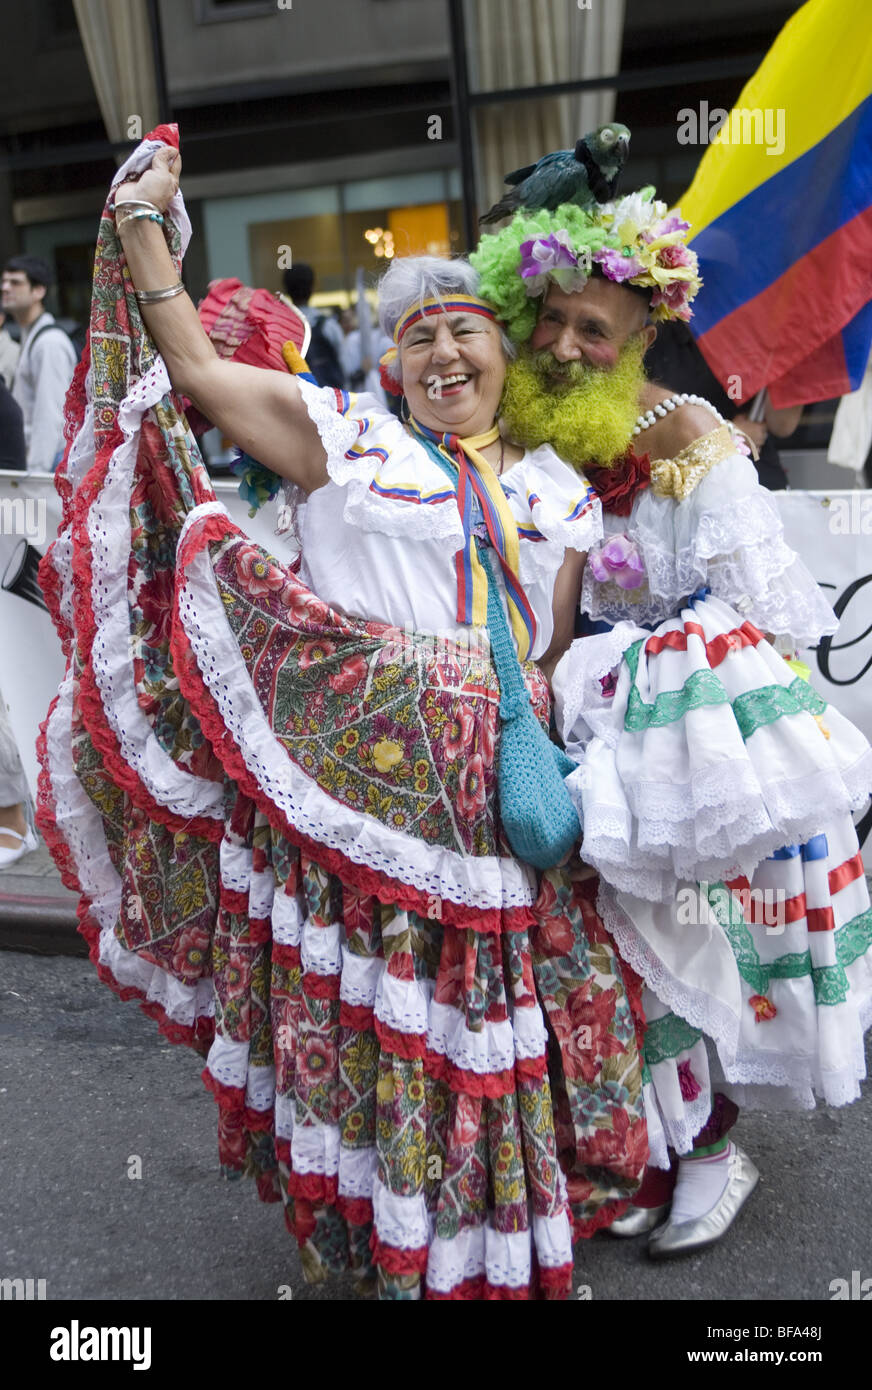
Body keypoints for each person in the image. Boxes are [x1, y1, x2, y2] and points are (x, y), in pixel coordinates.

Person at [37, 133, 649, 1300]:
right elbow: (203, 378)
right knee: (367, 1017)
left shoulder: (552, 491)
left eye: (462, 327)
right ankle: (369, 1251)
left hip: (479, 812)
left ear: (505, 354)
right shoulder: (349, 445)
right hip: (354, 798)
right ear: (393, 367)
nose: (438, 349)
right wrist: (141, 233)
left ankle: (472, 1246)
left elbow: (547, 647)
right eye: (416, 335)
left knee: (466, 1026)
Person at [472, 189, 872, 1257]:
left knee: (678, 945)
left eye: (590, 329)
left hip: (676, 742)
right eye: (546, 320)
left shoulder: (691, 436)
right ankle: (643, 1148)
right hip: (560, 733)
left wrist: (649, 693)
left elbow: (764, 615)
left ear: (642, 335)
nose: (560, 346)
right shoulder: (511, 429)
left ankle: (708, 1150)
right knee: (596, 959)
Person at [644, 320, 802, 490]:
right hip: (686, 485)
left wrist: (793, 349)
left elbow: (783, 426)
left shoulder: (752, 328)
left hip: (756, 477)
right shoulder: (656, 339)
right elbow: (643, 425)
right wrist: (728, 433)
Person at [1, 255, 78, 472]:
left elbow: (50, 414)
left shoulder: (49, 343)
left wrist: (34, 475)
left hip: (49, 463)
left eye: (15, 282)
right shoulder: (31, 336)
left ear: (39, 291)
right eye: (4, 281)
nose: (5, 288)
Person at [281, 262, 347, 389]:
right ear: (312, 288)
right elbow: (344, 364)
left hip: (295, 399)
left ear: (287, 290)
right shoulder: (328, 326)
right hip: (330, 399)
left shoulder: (281, 329)